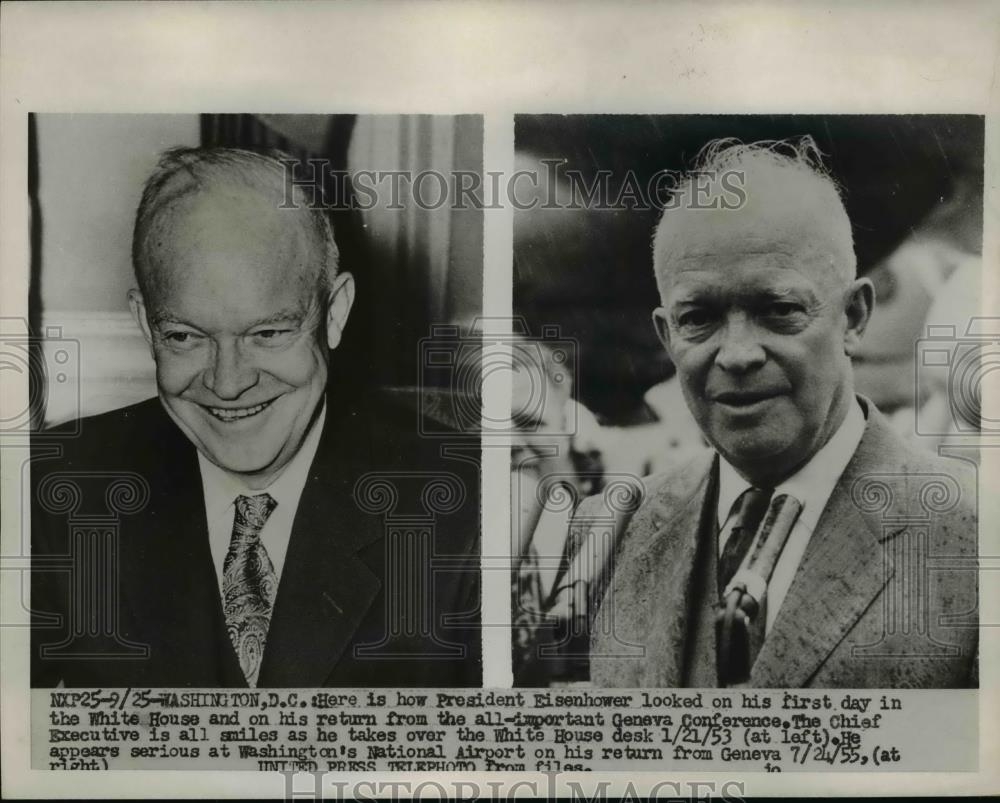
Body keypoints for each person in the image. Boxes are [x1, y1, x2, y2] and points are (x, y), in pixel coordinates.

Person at [31, 147, 481, 688]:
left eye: (267, 334)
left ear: (333, 313)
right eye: (184, 337)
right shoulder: (54, 491)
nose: (227, 382)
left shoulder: (465, 506)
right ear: (147, 327)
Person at [569, 137, 977, 688]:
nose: (737, 354)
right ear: (667, 336)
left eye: (779, 310)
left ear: (853, 317)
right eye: (699, 318)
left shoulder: (976, 535)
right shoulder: (611, 531)